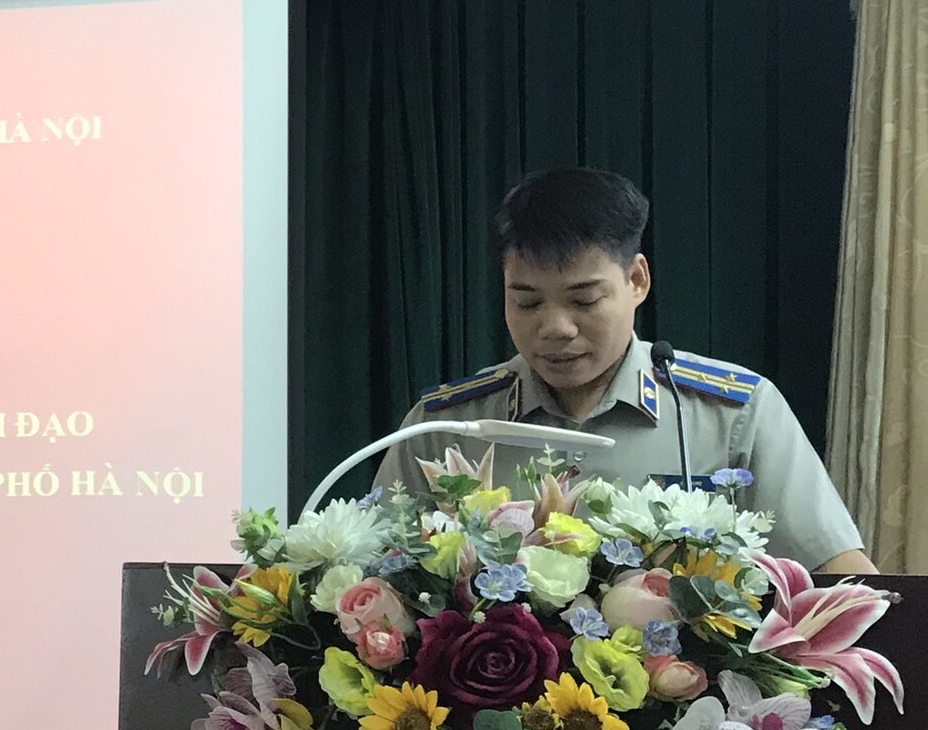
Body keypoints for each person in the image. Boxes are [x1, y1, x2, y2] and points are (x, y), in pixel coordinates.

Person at [372, 168, 871, 573]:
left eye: (584, 300)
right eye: (527, 303)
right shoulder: (443, 429)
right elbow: (367, 584)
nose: (556, 328)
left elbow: (839, 574)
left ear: (636, 279)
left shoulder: (733, 415)